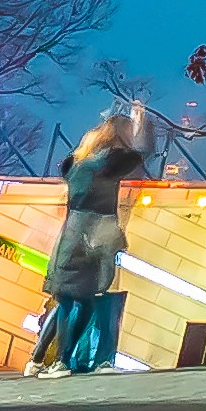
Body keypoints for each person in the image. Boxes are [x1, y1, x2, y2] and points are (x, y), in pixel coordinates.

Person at [34, 102, 142, 373]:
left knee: (67, 299)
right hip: (94, 235)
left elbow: (67, 169)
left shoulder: (77, 162)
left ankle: (41, 359)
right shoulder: (109, 164)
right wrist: (142, 119)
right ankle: (61, 361)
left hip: (71, 233)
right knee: (83, 299)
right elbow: (140, 154)